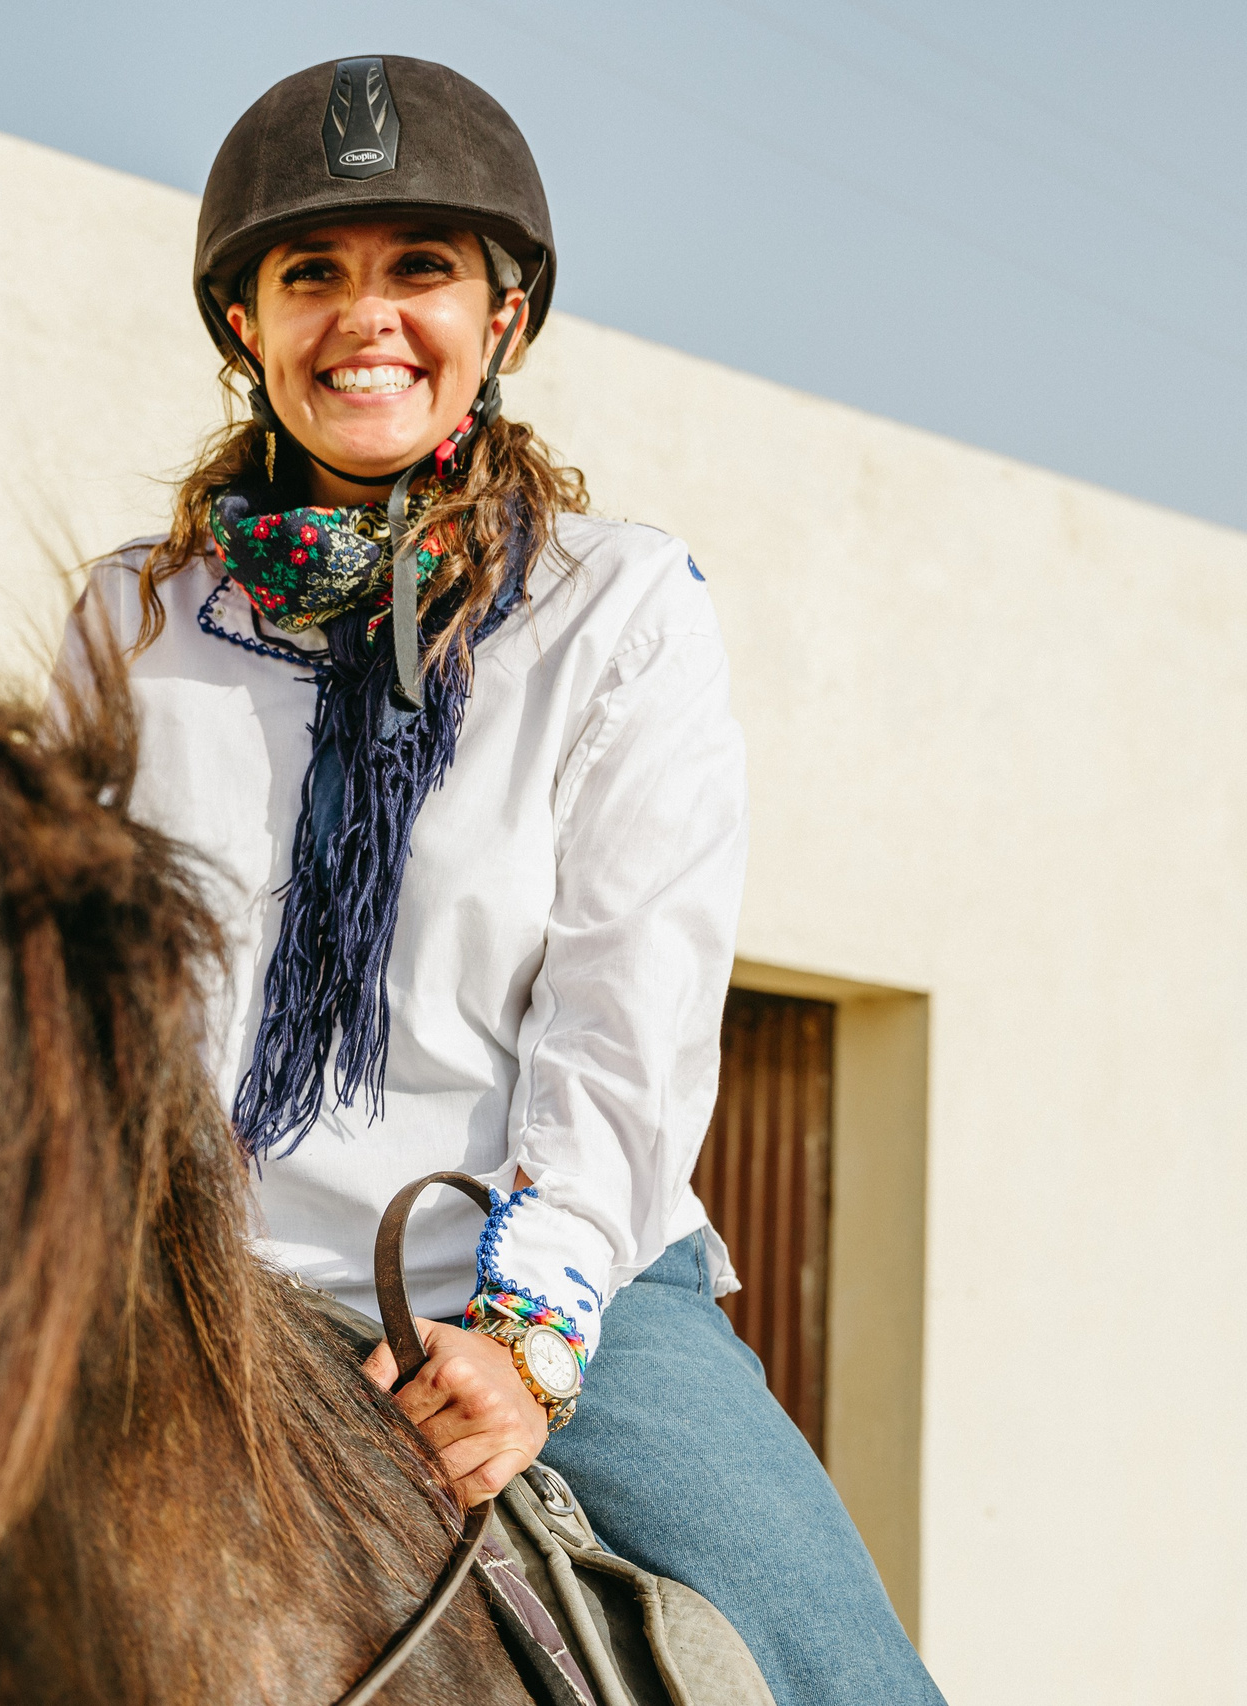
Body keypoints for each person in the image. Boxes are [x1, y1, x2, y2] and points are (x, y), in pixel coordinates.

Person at [51, 56, 943, 1706]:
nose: (364, 317)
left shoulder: (621, 608)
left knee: (849, 1677)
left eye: (419, 270)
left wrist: (528, 1346)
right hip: (189, 1297)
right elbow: (71, 993)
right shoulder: (131, 620)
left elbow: (630, 1008)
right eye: (310, 272)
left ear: (504, 315)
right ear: (242, 324)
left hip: (538, 1288)